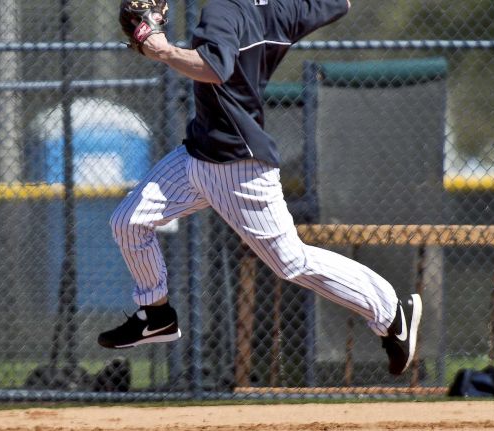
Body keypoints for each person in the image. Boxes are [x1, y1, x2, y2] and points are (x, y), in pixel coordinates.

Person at [98, 0, 422, 375]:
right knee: (129, 222)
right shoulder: (278, 9)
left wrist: (163, 50)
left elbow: (214, 69)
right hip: (199, 153)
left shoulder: (223, 9)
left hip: (238, 165)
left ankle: (391, 313)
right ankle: (156, 314)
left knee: (292, 263)